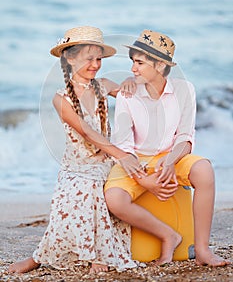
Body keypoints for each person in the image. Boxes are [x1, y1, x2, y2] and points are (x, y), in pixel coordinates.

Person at [8, 26, 145, 275]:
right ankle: (40, 257)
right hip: (75, 165)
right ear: (70, 59)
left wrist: (128, 83)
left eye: (99, 59)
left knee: (92, 187)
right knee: (73, 192)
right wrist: (121, 154)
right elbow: (86, 132)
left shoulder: (103, 85)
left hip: (103, 162)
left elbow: (134, 98)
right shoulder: (60, 98)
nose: (95, 64)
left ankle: (96, 255)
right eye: (88, 58)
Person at [105, 29, 231, 267]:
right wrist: (144, 181)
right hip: (135, 159)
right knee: (115, 199)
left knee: (204, 170)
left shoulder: (184, 89)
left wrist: (171, 161)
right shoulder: (128, 94)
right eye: (133, 62)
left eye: (140, 63)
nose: (133, 68)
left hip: (171, 156)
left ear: (161, 66)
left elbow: (185, 136)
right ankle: (168, 235)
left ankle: (202, 250)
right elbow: (123, 144)